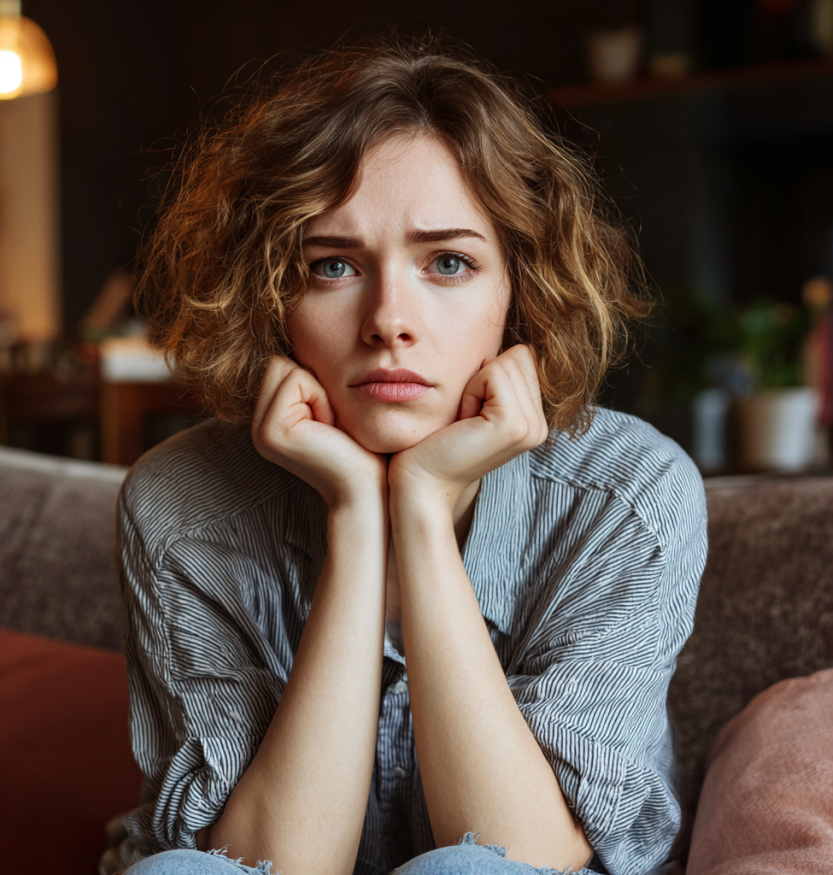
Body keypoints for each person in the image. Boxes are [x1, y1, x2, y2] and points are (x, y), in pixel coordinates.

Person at [104, 37, 707, 875]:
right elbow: (269, 864)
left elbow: (523, 856)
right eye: (333, 265)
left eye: (448, 262)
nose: (389, 318)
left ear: (520, 290)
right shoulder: (180, 505)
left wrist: (420, 506)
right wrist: (357, 515)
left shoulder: (627, 495)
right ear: (269, 297)